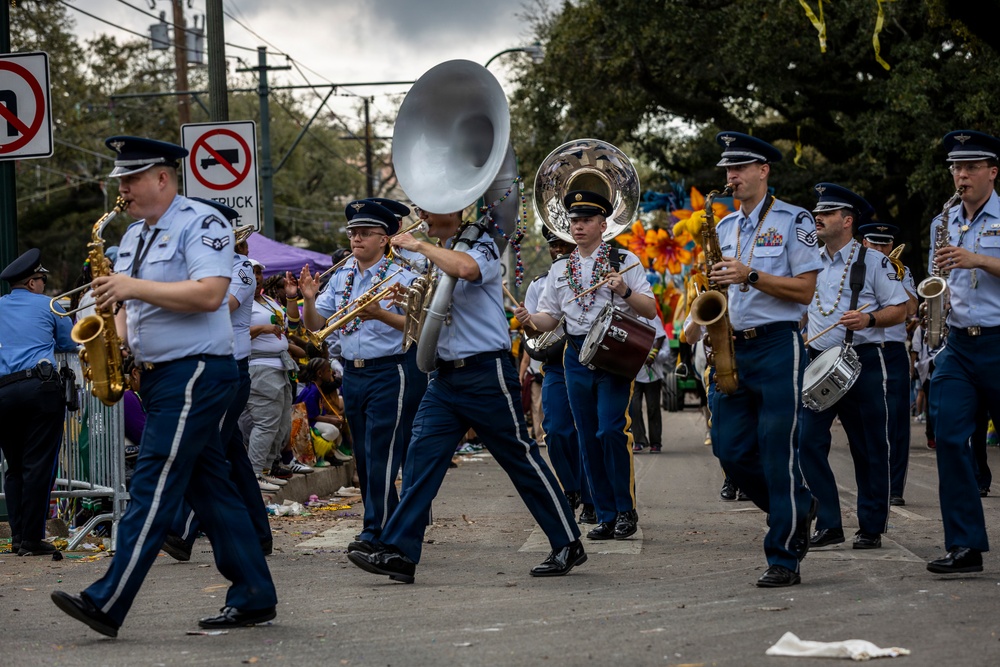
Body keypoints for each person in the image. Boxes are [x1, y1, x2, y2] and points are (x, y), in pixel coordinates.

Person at [50, 136, 276, 637]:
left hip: (196, 371)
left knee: (152, 484)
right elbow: (133, 306)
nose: (123, 190)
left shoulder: (203, 222)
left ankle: (108, 599)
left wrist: (130, 288)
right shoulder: (132, 236)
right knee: (210, 489)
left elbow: (211, 294)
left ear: (162, 178)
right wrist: (116, 336)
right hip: (158, 375)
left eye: (131, 180)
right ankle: (255, 593)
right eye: (121, 182)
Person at [348, 205, 584, 582]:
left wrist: (420, 246)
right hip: (444, 377)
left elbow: (466, 270)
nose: (421, 212)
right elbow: (425, 319)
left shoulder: (481, 243)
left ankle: (568, 540)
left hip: (484, 373)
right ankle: (399, 551)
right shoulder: (433, 256)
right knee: (420, 460)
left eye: (428, 206)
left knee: (520, 460)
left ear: (453, 207)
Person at [707, 132, 820, 587]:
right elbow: (717, 289)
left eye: (739, 168)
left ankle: (784, 556)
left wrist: (750, 275)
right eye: (728, 170)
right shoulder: (723, 227)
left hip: (777, 345)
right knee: (729, 449)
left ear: (763, 171)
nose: (731, 177)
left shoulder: (795, 221)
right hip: (734, 346)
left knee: (777, 449)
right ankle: (795, 506)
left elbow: (807, 291)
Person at [514, 190, 657, 542]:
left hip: (612, 354)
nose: (578, 227)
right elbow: (550, 319)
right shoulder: (560, 268)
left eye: (586, 220)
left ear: (602, 224)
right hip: (576, 354)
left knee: (610, 431)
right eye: (574, 221)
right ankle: (605, 515)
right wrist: (529, 319)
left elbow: (650, 310)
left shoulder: (625, 260)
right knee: (587, 438)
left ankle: (626, 510)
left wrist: (624, 289)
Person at [300, 199, 426, 552]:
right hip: (353, 376)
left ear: (384, 239)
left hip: (390, 370)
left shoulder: (404, 277)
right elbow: (315, 325)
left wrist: (380, 315)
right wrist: (309, 299)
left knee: (381, 452)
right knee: (365, 456)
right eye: (353, 232)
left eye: (365, 233)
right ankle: (392, 519)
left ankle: (375, 531)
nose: (356, 238)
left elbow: (418, 328)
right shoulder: (342, 277)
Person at [162, 198, 274, 562]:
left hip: (229, 372)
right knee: (232, 457)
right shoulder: (199, 267)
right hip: (206, 368)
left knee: (206, 455)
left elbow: (216, 305)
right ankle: (259, 535)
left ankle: (181, 531)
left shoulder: (240, 269)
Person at [797, 184, 907, 551]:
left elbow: (901, 308)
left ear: (847, 221)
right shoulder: (808, 259)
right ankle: (829, 522)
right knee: (807, 443)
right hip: (818, 362)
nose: (818, 217)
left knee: (870, 447)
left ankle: (871, 526)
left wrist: (870, 318)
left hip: (862, 362)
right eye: (818, 212)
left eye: (826, 214)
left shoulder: (874, 261)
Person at [925, 130, 1000, 574]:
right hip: (957, 343)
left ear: (993, 171)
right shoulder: (943, 220)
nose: (961, 175)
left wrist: (978, 261)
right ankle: (965, 546)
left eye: (971, 167)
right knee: (950, 439)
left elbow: (975, 265)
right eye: (956, 167)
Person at [0, 249, 76, 556]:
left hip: (3, 392)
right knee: (39, 465)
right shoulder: (50, 305)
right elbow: (70, 342)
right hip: (39, 388)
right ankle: (32, 538)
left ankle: (18, 536)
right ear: (32, 283)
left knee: (14, 466)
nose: (44, 285)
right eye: (42, 280)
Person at [521, 227, 590, 514]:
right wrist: (527, 320)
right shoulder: (538, 284)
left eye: (565, 244)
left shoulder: (591, 275)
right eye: (554, 245)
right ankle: (572, 488)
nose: (559, 250)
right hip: (554, 365)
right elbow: (531, 333)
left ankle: (591, 497)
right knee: (556, 431)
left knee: (587, 431)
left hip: (585, 359)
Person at [859, 221, 918, 506]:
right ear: (864, 243)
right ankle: (871, 483)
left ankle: (895, 488)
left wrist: (895, 277)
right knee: (865, 419)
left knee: (897, 420)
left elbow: (911, 310)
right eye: (875, 243)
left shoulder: (902, 272)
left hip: (893, 349)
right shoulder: (854, 268)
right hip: (865, 347)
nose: (881, 248)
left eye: (886, 244)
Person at [241, 259, 301, 491]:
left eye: (258, 272)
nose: (256, 277)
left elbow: (293, 324)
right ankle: (255, 473)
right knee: (266, 423)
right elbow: (231, 332)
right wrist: (261, 329)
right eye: (251, 272)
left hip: (280, 367)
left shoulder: (266, 301)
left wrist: (292, 297)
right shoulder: (239, 302)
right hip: (260, 366)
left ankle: (266, 469)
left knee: (281, 424)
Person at [630, 316, 667, 453]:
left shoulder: (649, 315)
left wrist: (653, 354)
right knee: (634, 407)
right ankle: (639, 440)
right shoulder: (625, 311)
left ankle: (656, 443)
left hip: (652, 373)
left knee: (653, 408)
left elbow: (661, 336)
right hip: (634, 372)